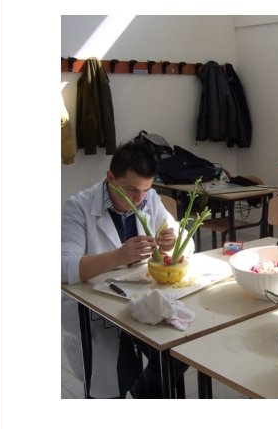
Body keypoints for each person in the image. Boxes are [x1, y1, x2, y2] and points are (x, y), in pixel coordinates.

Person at [61, 140, 192, 398]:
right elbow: (62, 267)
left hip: (140, 300)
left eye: (145, 190)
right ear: (110, 178)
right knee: (115, 382)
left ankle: (143, 393)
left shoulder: (149, 198)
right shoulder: (79, 207)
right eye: (131, 190)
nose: (138, 199)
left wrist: (173, 240)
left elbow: (184, 239)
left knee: (177, 355)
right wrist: (117, 257)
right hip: (98, 311)